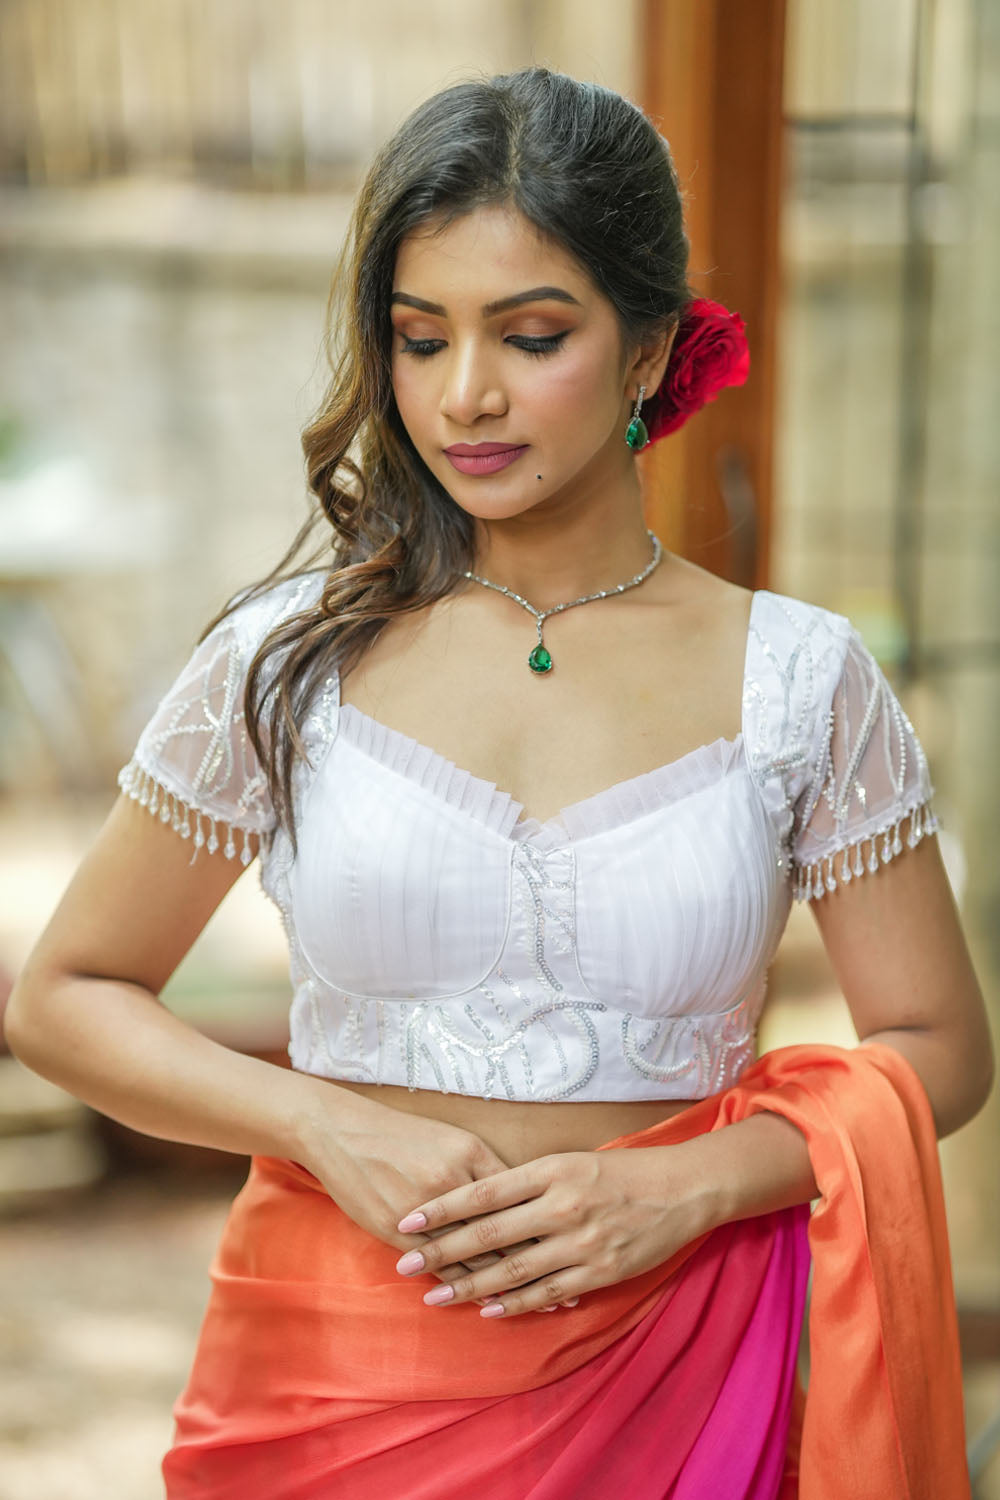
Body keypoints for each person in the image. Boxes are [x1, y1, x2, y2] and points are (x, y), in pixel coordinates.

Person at [4, 66, 993, 1500]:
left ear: (651, 349)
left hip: (687, 1365)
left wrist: (694, 1181)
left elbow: (939, 1046)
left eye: (531, 336)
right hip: (333, 1385)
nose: (465, 395)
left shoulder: (799, 681)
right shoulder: (286, 664)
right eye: (420, 339)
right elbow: (65, 996)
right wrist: (319, 1122)